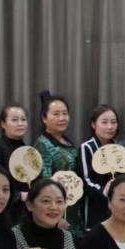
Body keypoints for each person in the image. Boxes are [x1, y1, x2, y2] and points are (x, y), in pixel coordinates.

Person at [34, 91, 83, 236]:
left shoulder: (68, 142)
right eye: (56, 114)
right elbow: (44, 183)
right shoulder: (42, 144)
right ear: (44, 118)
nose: (62, 118)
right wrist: (56, 216)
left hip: (73, 210)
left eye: (65, 113)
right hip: (55, 214)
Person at [0, 103, 30, 222]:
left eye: (23, 119)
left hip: (26, 212)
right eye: (14, 120)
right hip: (3, 212)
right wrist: (19, 195)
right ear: (3, 124)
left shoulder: (28, 151)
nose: (20, 123)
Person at [80, 104, 120, 230]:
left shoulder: (118, 148)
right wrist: (104, 190)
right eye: (104, 122)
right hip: (95, 209)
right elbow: (85, 181)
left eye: (113, 122)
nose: (110, 127)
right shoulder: (87, 147)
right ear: (93, 124)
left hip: (117, 209)